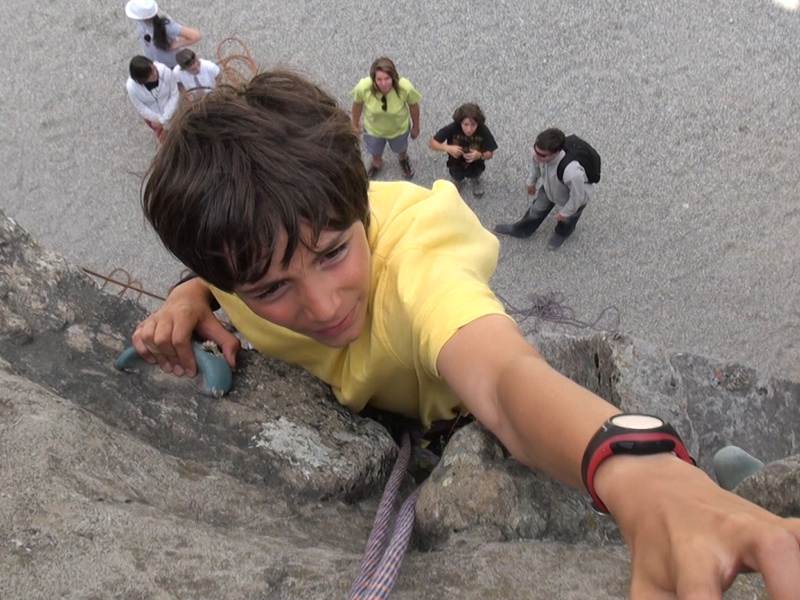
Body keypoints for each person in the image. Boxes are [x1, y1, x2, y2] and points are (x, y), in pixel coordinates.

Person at [132, 71, 800, 599]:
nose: (323, 303)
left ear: (361, 203)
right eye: (272, 289)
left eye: (335, 253)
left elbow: (507, 381)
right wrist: (190, 294)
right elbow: (221, 269)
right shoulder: (243, 261)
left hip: (458, 411)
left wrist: (648, 478)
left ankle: (719, 481)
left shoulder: (419, 254)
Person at [494, 127, 598, 249]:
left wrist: (565, 212)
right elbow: (535, 165)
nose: (537, 156)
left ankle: (561, 233)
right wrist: (531, 182)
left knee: (568, 220)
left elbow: (578, 197)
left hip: (571, 196)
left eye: (542, 155)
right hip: (550, 187)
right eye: (536, 151)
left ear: (557, 152)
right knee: (536, 209)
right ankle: (522, 230)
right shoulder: (539, 152)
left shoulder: (572, 172)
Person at [351, 57, 421, 179]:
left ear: (393, 77)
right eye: (379, 79)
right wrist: (355, 124)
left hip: (399, 129)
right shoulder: (363, 88)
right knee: (375, 150)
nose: (383, 84)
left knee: (401, 148)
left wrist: (416, 127)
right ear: (373, 78)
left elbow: (414, 106)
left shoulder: (405, 88)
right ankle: (377, 163)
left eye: (387, 78)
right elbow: (357, 105)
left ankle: (403, 158)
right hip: (373, 130)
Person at [429, 103, 497, 198]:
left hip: (476, 164)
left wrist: (480, 155)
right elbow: (432, 143)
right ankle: (458, 182)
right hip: (455, 163)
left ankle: (475, 181)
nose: (469, 129)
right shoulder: (452, 128)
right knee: (456, 176)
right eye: (465, 124)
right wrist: (447, 148)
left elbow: (490, 153)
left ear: (478, 123)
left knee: (475, 174)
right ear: (460, 122)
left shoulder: (483, 130)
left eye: (473, 125)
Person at [124, 0, 201, 69]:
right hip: (155, 61)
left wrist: (174, 45)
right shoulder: (142, 22)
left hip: (170, 64)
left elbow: (195, 36)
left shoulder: (167, 26)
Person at [126, 55, 180, 142]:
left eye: (154, 68)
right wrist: (158, 120)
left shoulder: (164, 70)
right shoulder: (131, 87)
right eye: (150, 75)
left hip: (172, 111)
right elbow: (141, 108)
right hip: (153, 118)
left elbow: (174, 93)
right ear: (141, 80)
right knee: (166, 141)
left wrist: (163, 119)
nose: (155, 73)